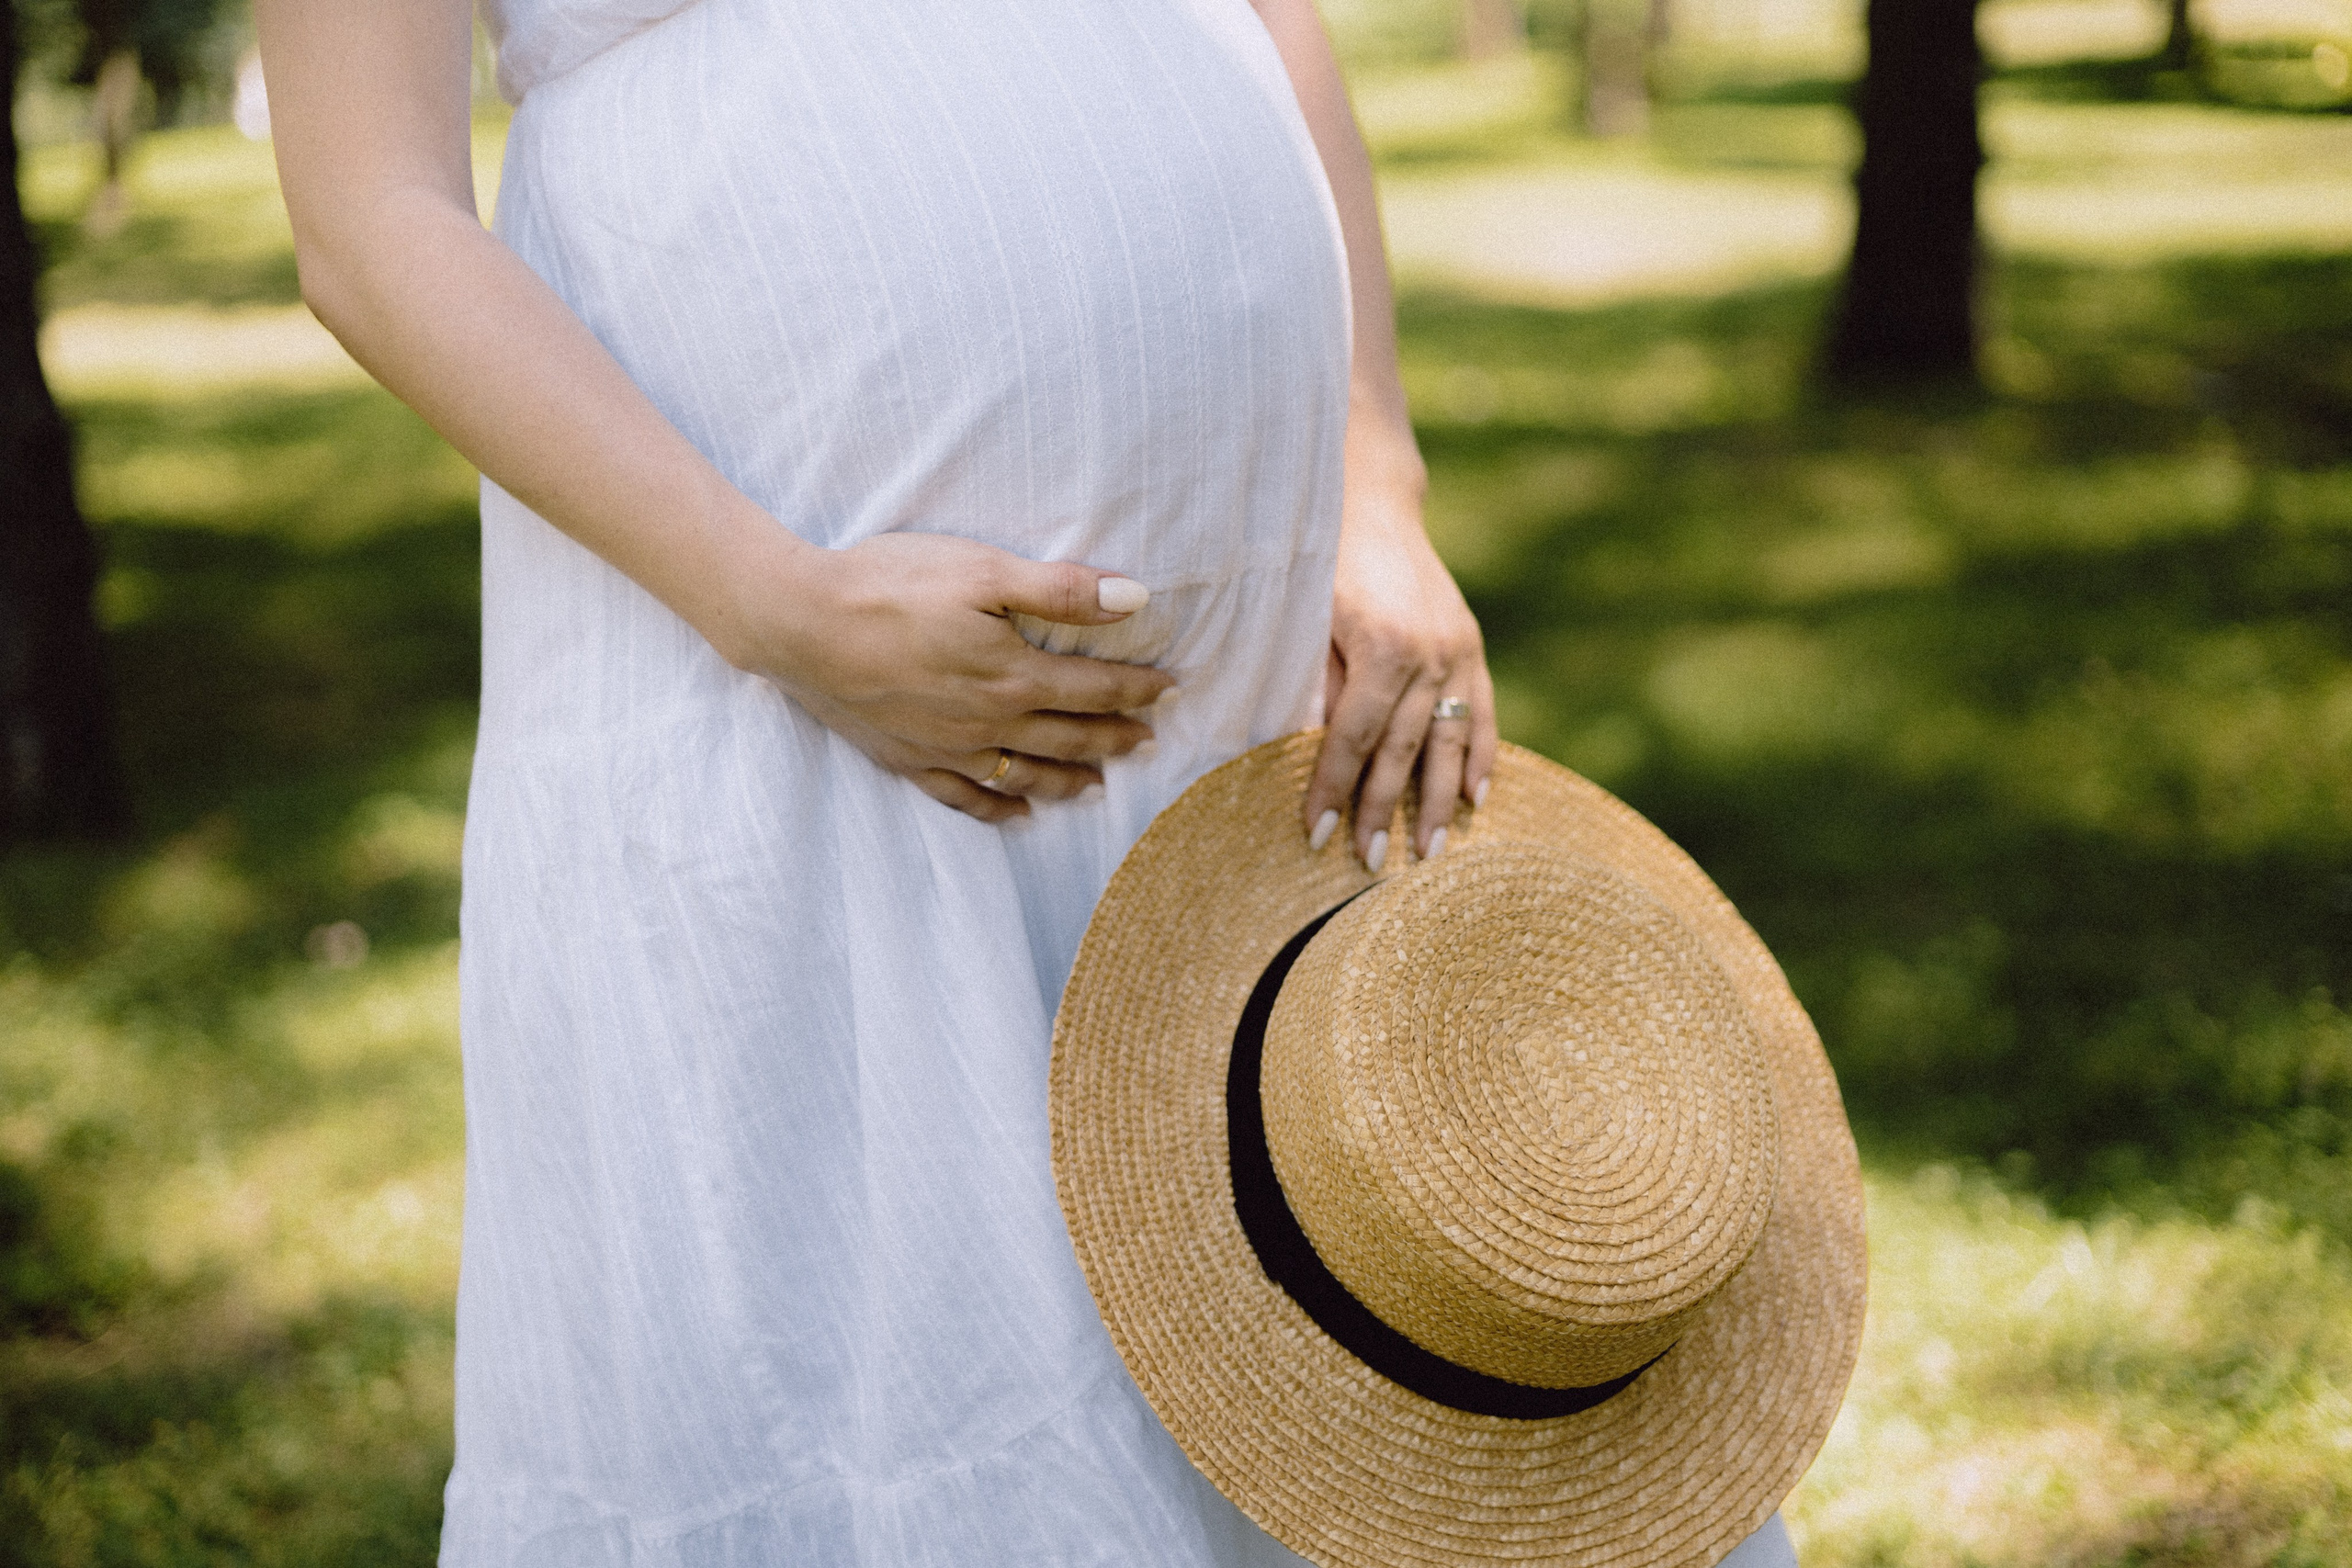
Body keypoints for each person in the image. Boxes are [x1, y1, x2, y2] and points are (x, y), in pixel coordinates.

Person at [257, 2, 1786, 1563]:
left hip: (1246, 698)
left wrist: (1372, 480)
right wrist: (772, 604)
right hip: (788, 688)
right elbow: (369, 219)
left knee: (1337, 1270)